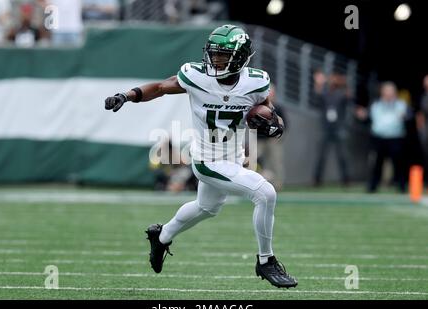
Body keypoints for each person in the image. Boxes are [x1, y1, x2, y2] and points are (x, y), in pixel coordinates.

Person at [104, 25, 297, 288]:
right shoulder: (196, 76)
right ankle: (266, 261)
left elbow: (267, 110)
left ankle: (161, 237)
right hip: (207, 160)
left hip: (234, 157)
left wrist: (274, 122)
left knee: (207, 207)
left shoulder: (257, 81)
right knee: (266, 193)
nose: (214, 61)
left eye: (222, 56)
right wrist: (126, 95)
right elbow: (161, 87)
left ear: (240, 58)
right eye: (213, 54)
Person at [356, 82, 408, 192]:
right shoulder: (375, 105)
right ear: (382, 92)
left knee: (398, 164)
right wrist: (362, 116)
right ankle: (372, 186)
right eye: (387, 90)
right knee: (376, 164)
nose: (389, 93)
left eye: (391, 91)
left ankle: (401, 186)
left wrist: (406, 116)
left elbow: (409, 117)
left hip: (395, 137)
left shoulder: (401, 105)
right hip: (379, 138)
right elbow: (367, 118)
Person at [312, 70, 351, 186]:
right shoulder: (325, 93)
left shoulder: (341, 93)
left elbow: (349, 96)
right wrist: (318, 83)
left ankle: (346, 179)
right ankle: (317, 180)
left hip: (339, 127)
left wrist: (344, 82)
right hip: (326, 128)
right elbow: (316, 96)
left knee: (342, 155)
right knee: (321, 155)